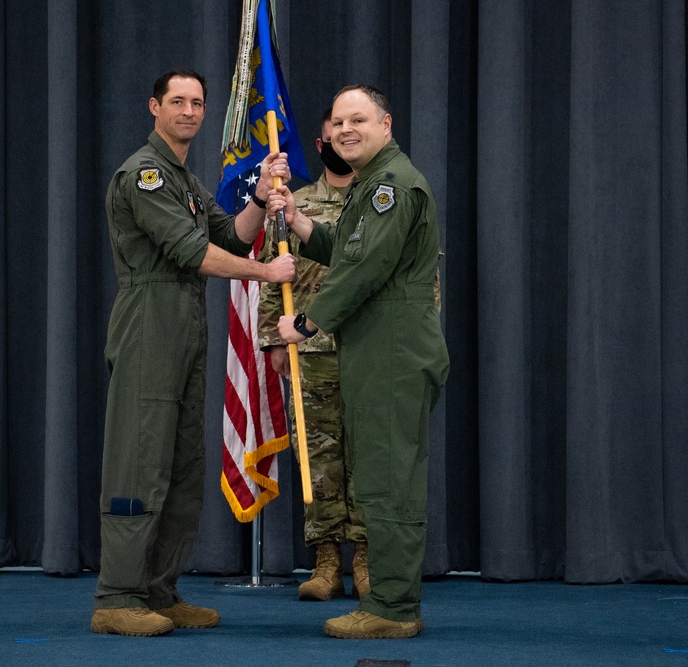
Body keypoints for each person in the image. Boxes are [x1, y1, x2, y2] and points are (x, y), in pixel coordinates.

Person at [91, 69, 296, 638]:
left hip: (183, 326)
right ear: (154, 106)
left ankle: (160, 591)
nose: (189, 110)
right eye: (177, 101)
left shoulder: (184, 179)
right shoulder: (146, 175)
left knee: (180, 466)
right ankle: (117, 596)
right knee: (139, 464)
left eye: (198, 102)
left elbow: (230, 235)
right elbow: (192, 252)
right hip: (148, 325)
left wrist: (258, 196)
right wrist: (266, 271)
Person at [268, 84, 449, 639]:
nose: (346, 129)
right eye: (339, 122)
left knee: (388, 480)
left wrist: (304, 322)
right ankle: (392, 602)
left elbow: (362, 270)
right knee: (378, 475)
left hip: (392, 348)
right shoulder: (372, 184)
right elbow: (348, 248)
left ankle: (393, 609)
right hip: (377, 347)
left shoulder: (389, 186)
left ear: (386, 124)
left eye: (359, 120)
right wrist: (300, 224)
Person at [256, 109, 367, 602]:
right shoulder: (294, 203)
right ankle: (325, 562)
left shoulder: (380, 202)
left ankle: (366, 558)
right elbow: (271, 272)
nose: (339, 145)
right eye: (330, 138)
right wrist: (274, 341)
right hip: (311, 352)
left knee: (368, 456)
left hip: (369, 351)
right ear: (320, 144)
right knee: (318, 459)